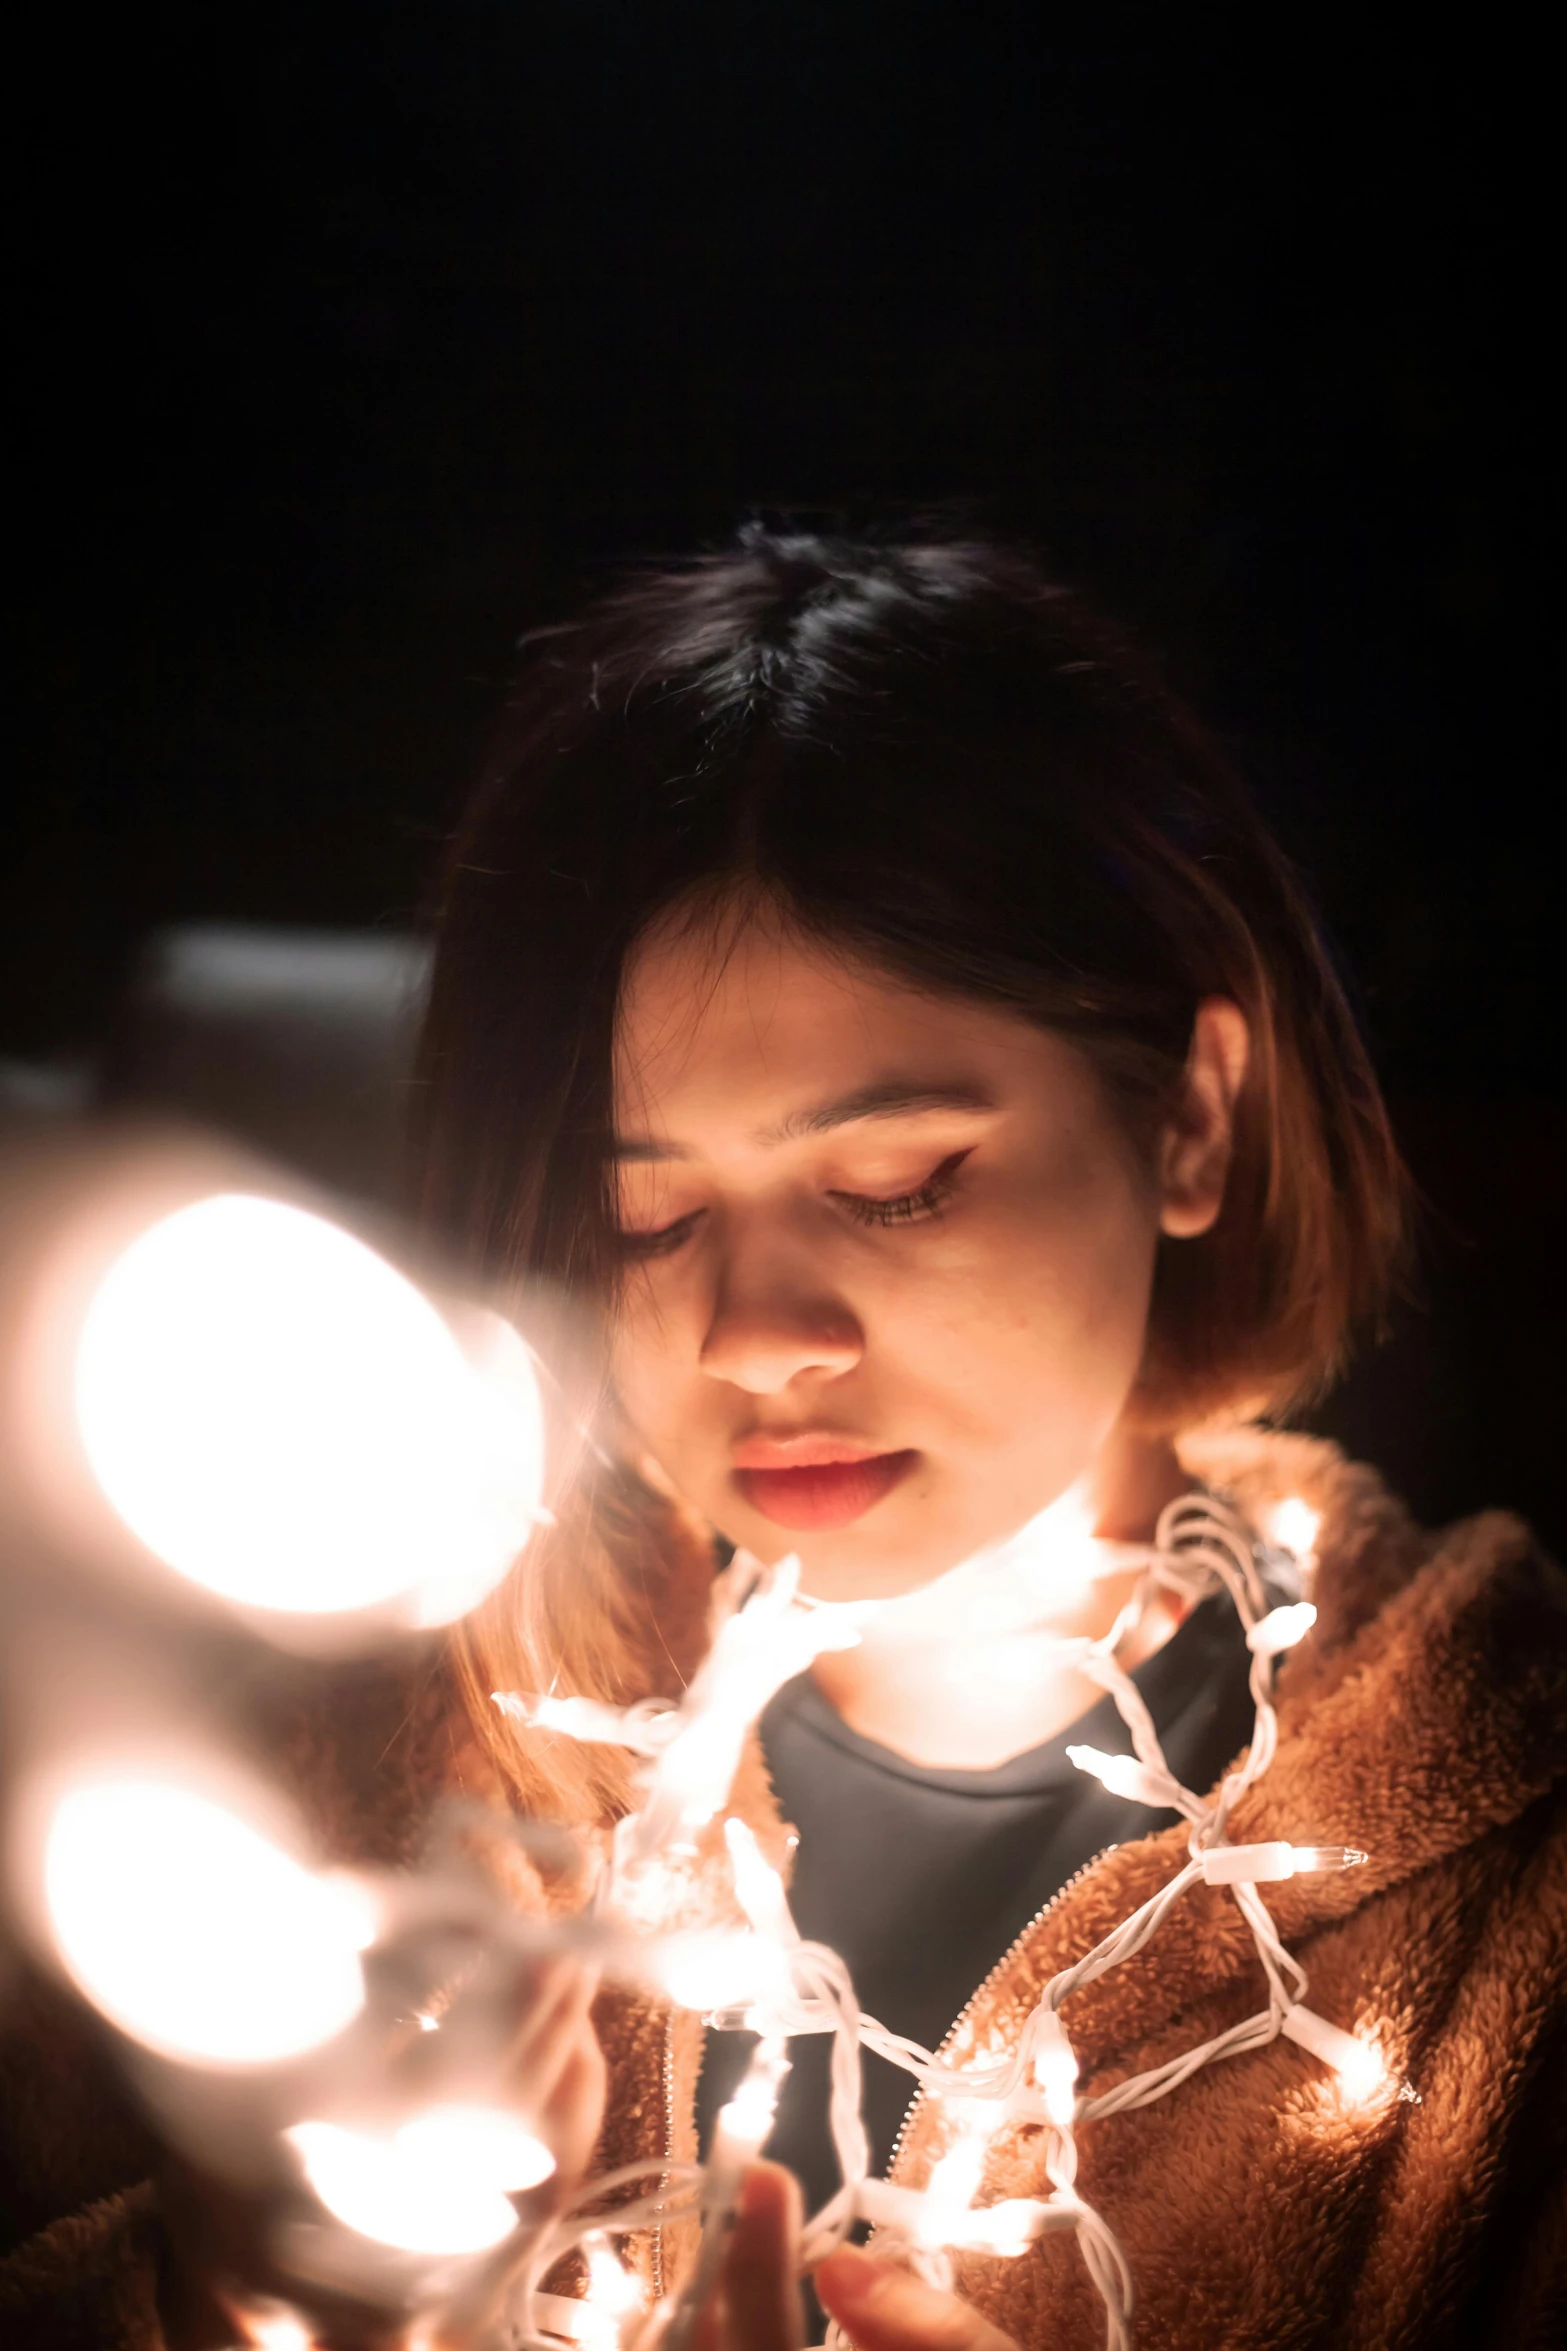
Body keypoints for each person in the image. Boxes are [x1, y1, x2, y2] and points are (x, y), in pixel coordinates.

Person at [3, 526, 1563, 2350]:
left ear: (1192, 1122)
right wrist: (244, 2296)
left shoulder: (1488, 1905)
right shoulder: (334, 1799)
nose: (755, 1336)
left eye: (895, 1186)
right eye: (642, 1217)